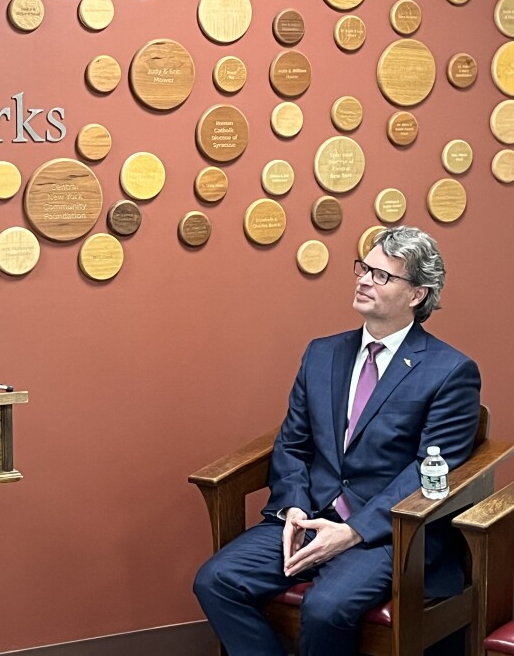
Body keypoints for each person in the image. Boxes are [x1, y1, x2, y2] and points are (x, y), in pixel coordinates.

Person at [193, 226, 481, 656]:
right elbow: (293, 443)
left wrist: (352, 531)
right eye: (364, 268)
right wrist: (293, 506)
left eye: (382, 276)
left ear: (417, 294)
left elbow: (427, 471)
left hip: (387, 533)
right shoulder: (322, 354)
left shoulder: (450, 371)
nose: (364, 280)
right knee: (216, 580)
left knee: (326, 608)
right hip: (310, 515)